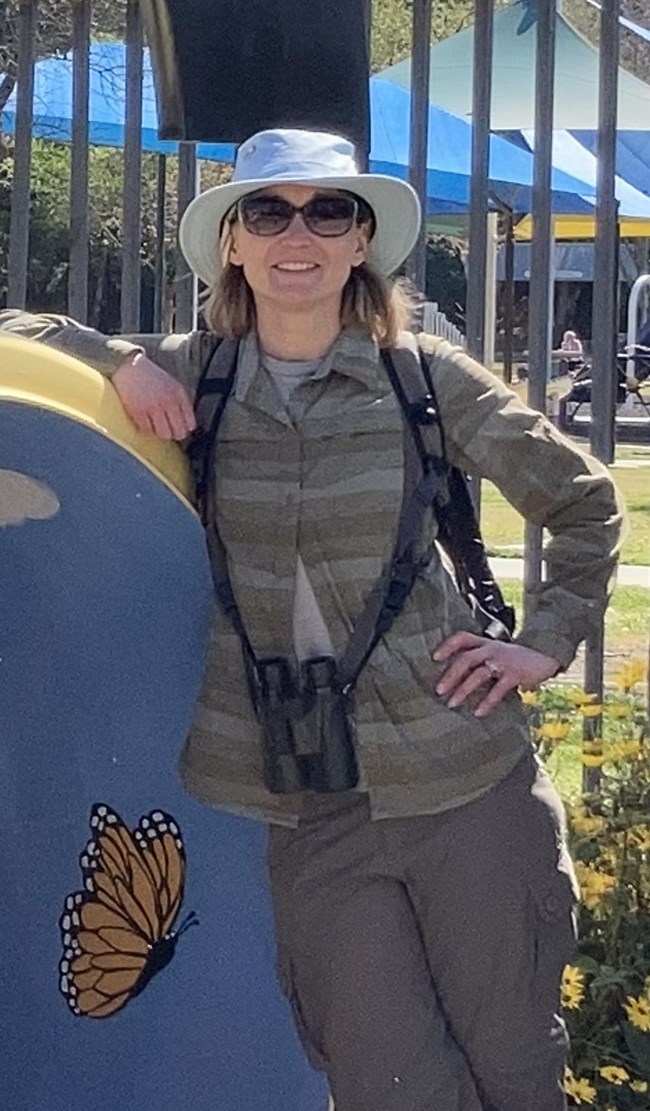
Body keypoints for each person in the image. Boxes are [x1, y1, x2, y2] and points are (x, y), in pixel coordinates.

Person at [1, 128, 624, 1111]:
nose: (298, 235)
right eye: (268, 212)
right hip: (310, 803)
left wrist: (542, 643)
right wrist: (119, 361)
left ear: (360, 242)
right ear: (234, 243)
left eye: (327, 212)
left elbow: (584, 502)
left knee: (511, 1066)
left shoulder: (424, 379)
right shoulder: (196, 379)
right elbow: (18, 329)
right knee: (385, 1081)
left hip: (463, 780)